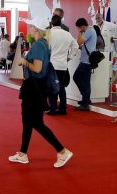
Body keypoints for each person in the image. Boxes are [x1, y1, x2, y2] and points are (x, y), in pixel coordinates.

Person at [8, 19, 74, 167]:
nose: (29, 29)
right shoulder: (44, 43)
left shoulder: (39, 45)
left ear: (36, 29)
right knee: (28, 121)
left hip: (33, 87)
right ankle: (23, 153)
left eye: (31, 26)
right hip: (37, 87)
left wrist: (24, 61)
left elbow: (37, 68)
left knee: (35, 123)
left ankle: (62, 151)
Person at [47, 15, 78, 115]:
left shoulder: (49, 34)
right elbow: (76, 46)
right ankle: (63, 109)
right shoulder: (67, 34)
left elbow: (45, 48)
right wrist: (70, 56)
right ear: (61, 23)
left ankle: (52, 109)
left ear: (51, 23)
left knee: (52, 87)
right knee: (61, 86)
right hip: (62, 65)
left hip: (52, 64)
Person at [74, 18, 97, 111]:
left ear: (82, 26)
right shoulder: (90, 30)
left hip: (86, 61)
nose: (79, 30)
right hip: (85, 60)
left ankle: (85, 103)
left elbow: (78, 42)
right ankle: (86, 99)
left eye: (79, 28)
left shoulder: (89, 31)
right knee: (84, 80)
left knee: (81, 79)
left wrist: (79, 32)